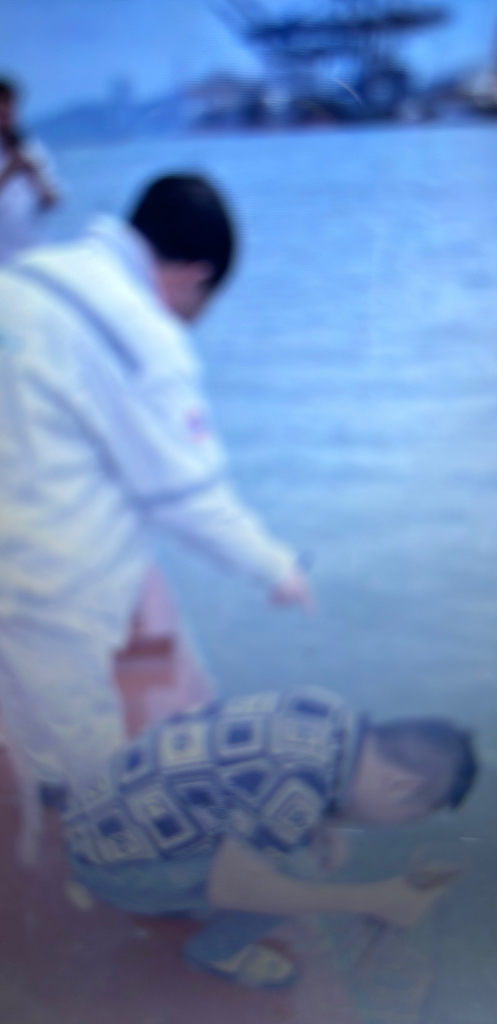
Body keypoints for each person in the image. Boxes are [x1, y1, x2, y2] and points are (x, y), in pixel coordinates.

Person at [0, 173, 312, 853]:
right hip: (44, 590)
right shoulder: (140, 333)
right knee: (84, 783)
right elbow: (190, 500)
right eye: (203, 303)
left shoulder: (27, 275)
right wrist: (278, 570)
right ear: (194, 276)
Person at [59, 685, 478, 989]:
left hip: (97, 819)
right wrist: (376, 898)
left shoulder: (327, 709)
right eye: (410, 816)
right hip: (112, 872)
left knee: (287, 844)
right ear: (399, 785)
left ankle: (178, 892)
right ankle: (216, 953)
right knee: (298, 871)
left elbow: (259, 774)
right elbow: (233, 890)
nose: (400, 824)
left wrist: (328, 822)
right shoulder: (295, 792)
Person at [0, 77, 60, 264]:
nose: (5, 109)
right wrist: (10, 170)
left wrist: (36, 175)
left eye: (9, 103)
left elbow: (54, 200)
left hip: (34, 253)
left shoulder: (30, 148)